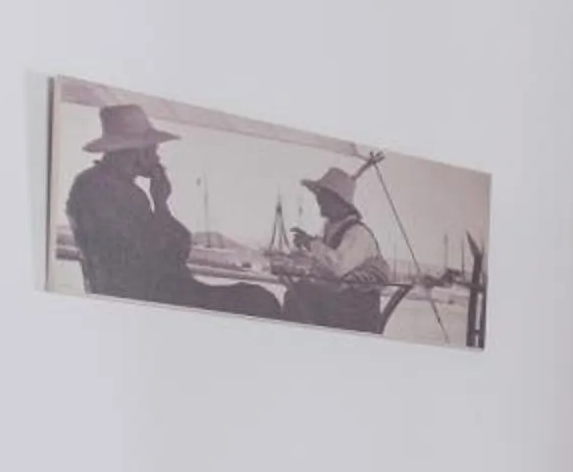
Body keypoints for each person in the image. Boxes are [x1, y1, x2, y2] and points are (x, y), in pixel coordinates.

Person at [63, 102, 280, 318]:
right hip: (150, 299)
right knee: (258, 301)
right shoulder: (109, 189)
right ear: (139, 152)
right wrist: (161, 202)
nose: (157, 157)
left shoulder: (98, 184)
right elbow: (168, 255)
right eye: (153, 149)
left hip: (149, 294)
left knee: (255, 297)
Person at [281, 164, 401, 333]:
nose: (318, 202)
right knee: (297, 292)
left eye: (322, 197)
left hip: (356, 312)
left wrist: (310, 243)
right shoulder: (331, 229)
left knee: (300, 293)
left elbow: (338, 267)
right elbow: (325, 267)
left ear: (338, 201)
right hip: (338, 304)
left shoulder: (359, 234)